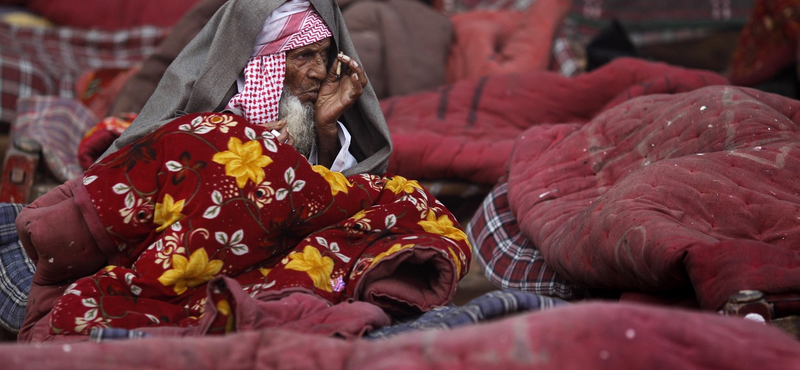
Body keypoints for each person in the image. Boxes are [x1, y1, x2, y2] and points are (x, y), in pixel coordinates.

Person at [12, 0, 406, 341]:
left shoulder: (314, 115)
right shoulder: (203, 126)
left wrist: (323, 130)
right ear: (261, 62)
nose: (320, 72)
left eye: (324, 56)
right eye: (303, 56)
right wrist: (242, 144)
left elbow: (334, 199)